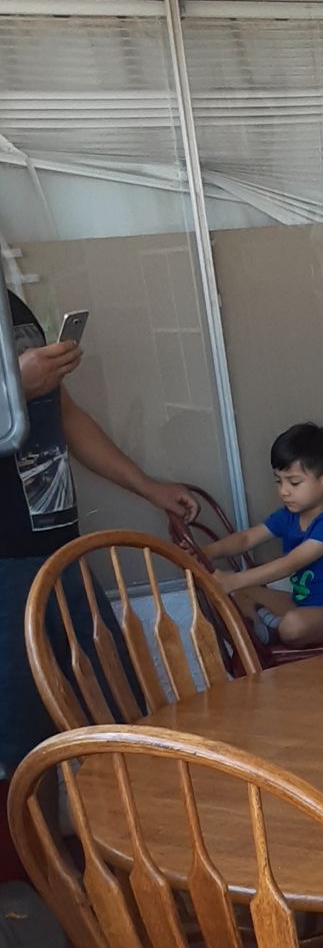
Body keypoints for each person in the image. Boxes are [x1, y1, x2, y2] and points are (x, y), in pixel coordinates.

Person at [0, 287, 198, 780]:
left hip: (63, 554)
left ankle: (133, 847)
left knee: (116, 716)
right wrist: (13, 388)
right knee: (26, 749)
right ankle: (39, 857)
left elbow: (64, 415)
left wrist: (149, 488)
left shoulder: (10, 303)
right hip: (4, 571)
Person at [206, 422, 323, 647]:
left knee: (293, 625)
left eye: (294, 482)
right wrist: (206, 552)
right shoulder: (289, 516)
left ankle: (269, 631)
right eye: (278, 481)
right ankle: (266, 629)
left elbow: (289, 564)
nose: (283, 491)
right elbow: (247, 538)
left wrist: (233, 580)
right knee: (242, 593)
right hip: (302, 602)